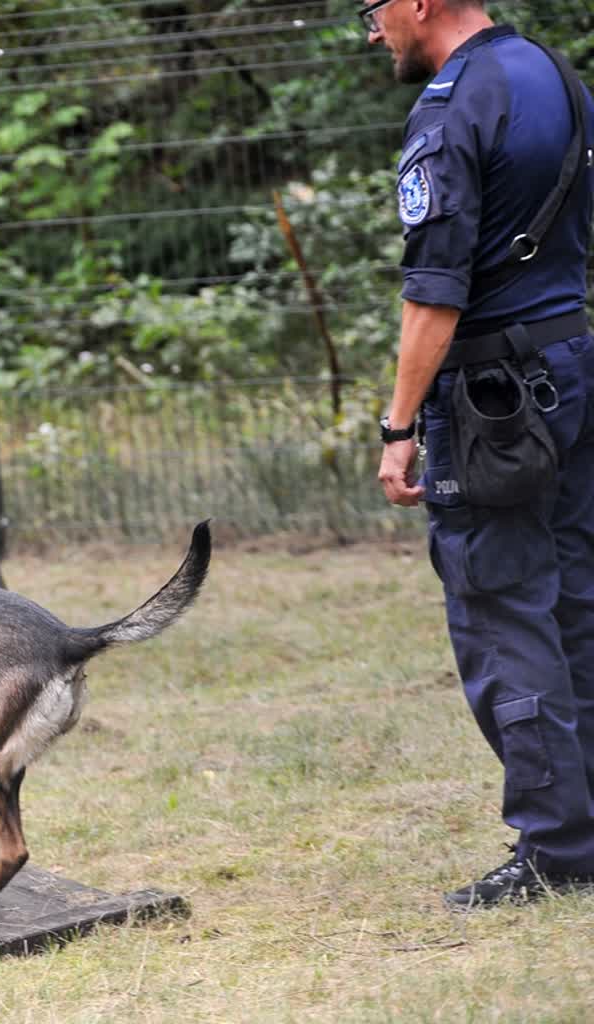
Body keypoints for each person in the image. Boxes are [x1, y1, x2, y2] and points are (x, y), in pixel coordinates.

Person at [363, 0, 594, 909]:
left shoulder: (454, 104)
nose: (371, 28)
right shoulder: (556, 75)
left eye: (375, 9)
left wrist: (399, 425)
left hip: (494, 395)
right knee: (575, 595)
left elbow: (435, 292)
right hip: (569, 362)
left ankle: (558, 846)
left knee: (502, 606)